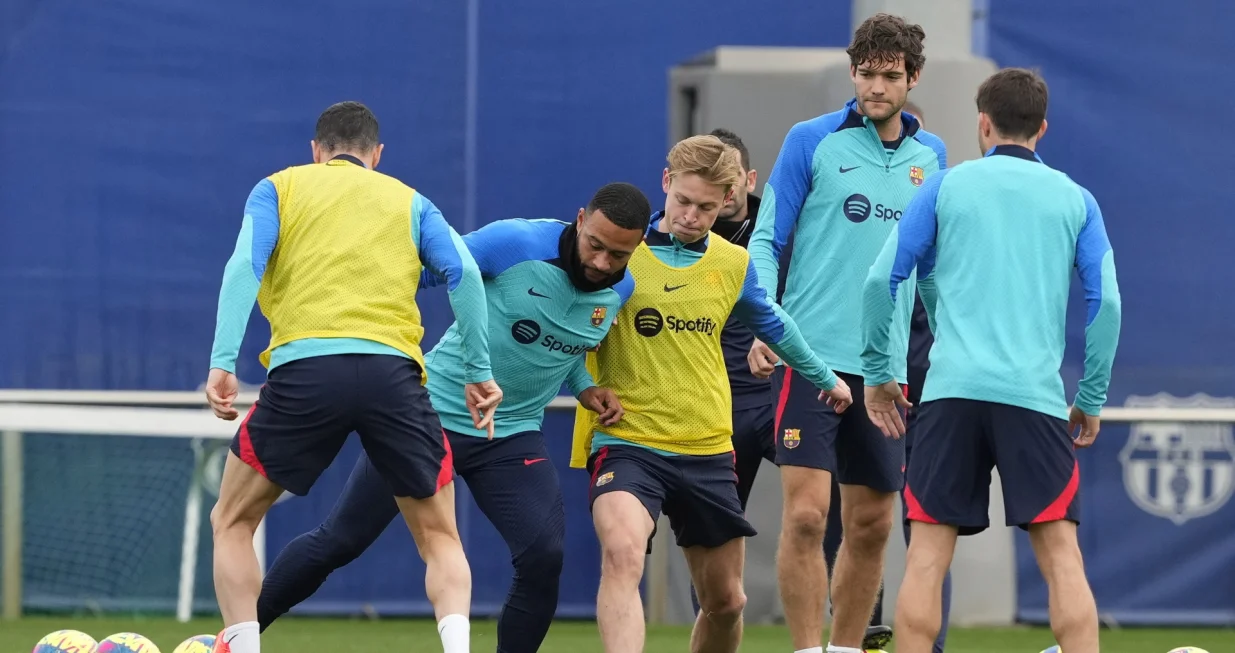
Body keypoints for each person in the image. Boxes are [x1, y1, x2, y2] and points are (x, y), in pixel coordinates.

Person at [254, 183, 653, 653]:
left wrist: (585, 386)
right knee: (340, 541)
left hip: (512, 436)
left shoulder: (622, 288)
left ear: (638, 247)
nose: (602, 263)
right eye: (595, 245)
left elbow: (560, 342)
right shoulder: (515, 242)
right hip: (426, 421)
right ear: (580, 219)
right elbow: (419, 272)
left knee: (544, 557)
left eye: (618, 255)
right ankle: (233, 637)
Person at [204, 101, 501, 653]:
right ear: (377, 155)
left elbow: (245, 265)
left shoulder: (278, 188)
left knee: (232, 521)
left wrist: (223, 360)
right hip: (394, 378)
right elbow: (463, 271)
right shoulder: (410, 200)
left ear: (316, 152)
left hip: (306, 374)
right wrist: (479, 371)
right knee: (440, 537)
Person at [860, 68, 1121, 653]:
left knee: (927, 558)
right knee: (1061, 557)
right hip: (1034, 398)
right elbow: (1107, 304)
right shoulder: (1077, 199)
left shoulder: (944, 187)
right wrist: (1091, 397)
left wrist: (878, 373)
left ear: (983, 123)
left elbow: (881, 281)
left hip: (950, 395)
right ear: (1042, 128)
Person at [570, 134, 853, 653]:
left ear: (727, 199)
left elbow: (775, 325)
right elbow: (562, 329)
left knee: (726, 603)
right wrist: (584, 385)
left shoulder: (732, 263)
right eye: (682, 200)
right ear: (666, 182)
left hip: (706, 448)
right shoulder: (620, 254)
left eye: (705, 207)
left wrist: (825, 378)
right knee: (623, 556)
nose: (690, 216)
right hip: (628, 441)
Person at [746, 14, 947, 653]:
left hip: (885, 372)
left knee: (872, 525)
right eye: (865, 74)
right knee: (808, 516)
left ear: (913, 78)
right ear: (852, 72)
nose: (875, 87)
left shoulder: (932, 157)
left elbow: (930, 265)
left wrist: (946, 340)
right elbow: (766, 238)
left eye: (890, 76)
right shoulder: (810, 140)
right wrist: (765, 319)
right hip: (809, 358)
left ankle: (844, 648)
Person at [820, 99, 951, 653]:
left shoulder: (940, 218)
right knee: (852, 515)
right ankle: (856, 634)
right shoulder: (850, 235)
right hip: (871, 385)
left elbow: (947, 297)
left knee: (930, 523)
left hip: (932, 394)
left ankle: (928, 646)